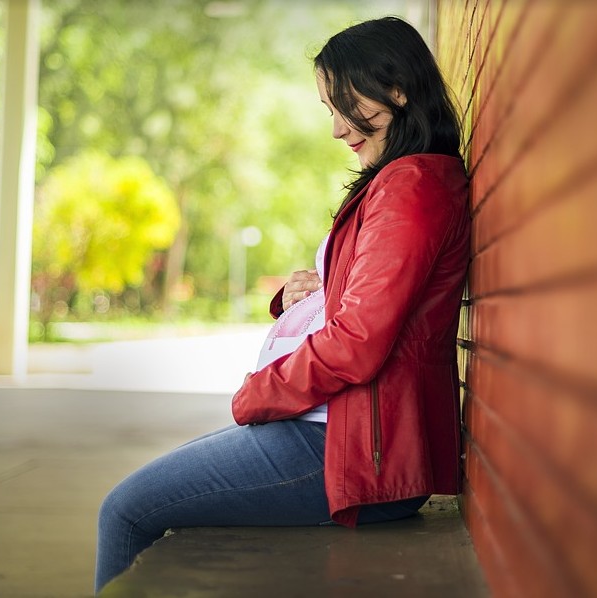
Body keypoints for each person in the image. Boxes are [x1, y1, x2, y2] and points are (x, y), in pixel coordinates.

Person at [94, 15, 470, 593]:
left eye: (349, 105)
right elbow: (373, 300)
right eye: (331, 110)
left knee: (124, 509)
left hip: (347, 451)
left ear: (398, 89)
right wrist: (309, 291)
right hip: (339, 433)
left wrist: (258, 393)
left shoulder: (412, 185)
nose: (340, 128)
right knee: (150, 488)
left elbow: (359, 340)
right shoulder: (406, 179)